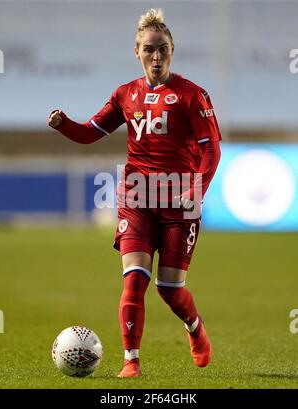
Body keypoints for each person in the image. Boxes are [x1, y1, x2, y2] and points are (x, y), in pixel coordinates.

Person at [48, 8, 221, 378]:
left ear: (172, 50)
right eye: (148, 50)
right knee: (134, 278)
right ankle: (131, 361)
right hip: (137, 197)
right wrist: (64, 125)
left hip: (179, 201)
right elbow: (91, 131)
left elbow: (212, 150)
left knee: (170, 290)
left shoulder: (192, 95)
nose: (155, 57)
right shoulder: (125, 94)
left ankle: (195, 328)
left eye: (162, 49)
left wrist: (198, 188)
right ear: (137, 52)